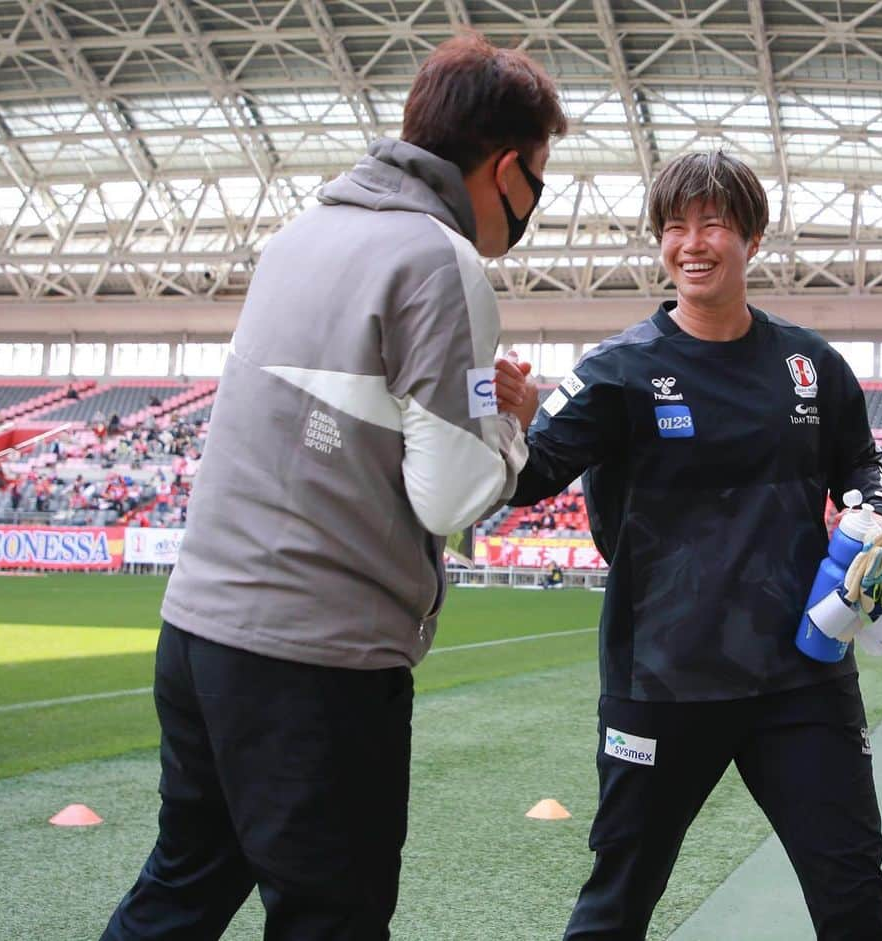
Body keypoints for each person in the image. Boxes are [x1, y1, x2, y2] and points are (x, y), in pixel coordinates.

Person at [99, 31, 566, 941]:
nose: (534, 202)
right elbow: (452, 494)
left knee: (183, 891)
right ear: (506, 167)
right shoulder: (441, 259)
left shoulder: (299, 235)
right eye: (539, 177)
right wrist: (514, 423)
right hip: (314, 664)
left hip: (198, 632)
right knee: (332, 917)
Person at [496, 150, 882, 940]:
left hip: (801, 678)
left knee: (854, 899)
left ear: (750, 237)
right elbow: (528, 477)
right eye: (674, 225)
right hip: (662, 678)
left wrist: (872, 511)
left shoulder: (811, 367)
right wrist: (510, 420)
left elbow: (859, 464)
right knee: (617, 904)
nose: (693, 242)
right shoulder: (617, 371)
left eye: (713, 222)